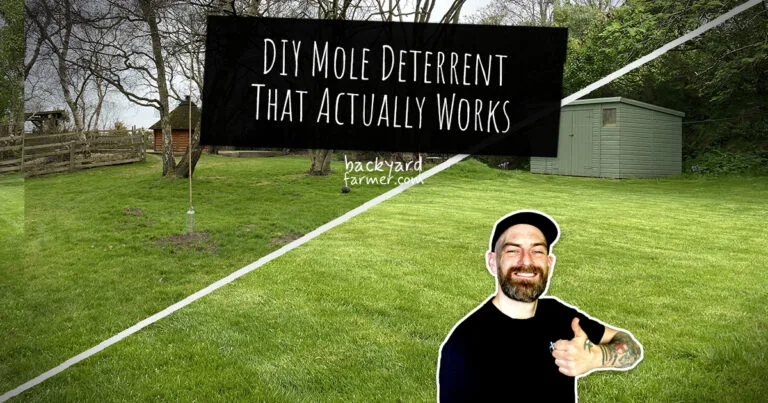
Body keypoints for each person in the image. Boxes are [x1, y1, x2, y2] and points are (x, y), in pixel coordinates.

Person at [437, 210, 643, 402]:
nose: (526, 261)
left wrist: (596, 357)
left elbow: (630, 346)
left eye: (537, 251)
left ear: (549, 264)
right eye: (512, 250)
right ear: (493, 262)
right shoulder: (464, 346)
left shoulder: (559, 315)